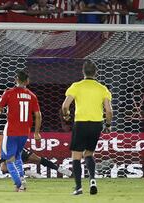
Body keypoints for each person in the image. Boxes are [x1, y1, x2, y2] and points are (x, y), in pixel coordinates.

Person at [61, 60, 113, 195]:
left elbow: (65, 106)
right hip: (96, 124)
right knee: (89, 154)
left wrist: (66, 116)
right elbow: (109, 110)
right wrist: (107, 125)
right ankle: (92, 180)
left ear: (83, 72)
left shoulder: (76, 86)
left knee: (76, 156)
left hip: (81, 123)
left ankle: (78, 187)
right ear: (96, 72)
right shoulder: (102, 88)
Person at [0, 70, 42, 192]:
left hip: (11, 132)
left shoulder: (9, 93)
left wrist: (1, 111)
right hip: (25, 132)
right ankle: (22, 178)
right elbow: (38, 115)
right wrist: (36, 133)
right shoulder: (32, 95)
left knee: (9, 159)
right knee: (18, 156)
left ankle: (19, 184)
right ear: (27, 81)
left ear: (15, 80)